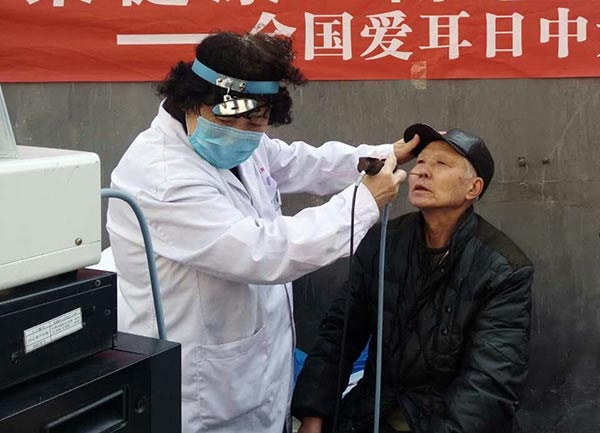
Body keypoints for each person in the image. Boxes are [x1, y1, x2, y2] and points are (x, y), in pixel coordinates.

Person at [106, 31, 419, 433]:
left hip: (255, 379)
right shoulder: (163, 178)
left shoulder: (236, 144)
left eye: (256, 121)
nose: (241, 130)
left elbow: (300, 163)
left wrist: (384, 155)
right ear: (191, 100)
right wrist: (362, 202)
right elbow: (265, 253)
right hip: (198, 396)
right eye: (227, 118)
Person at [291, 123, 534, 433]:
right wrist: (313, 414)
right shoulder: (384, 240)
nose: (421, 172)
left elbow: (489, 380)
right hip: (371, 414)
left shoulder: (503, 268)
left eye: (441, 164)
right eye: (420, 162)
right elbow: (340, 333)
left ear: (473, 188)